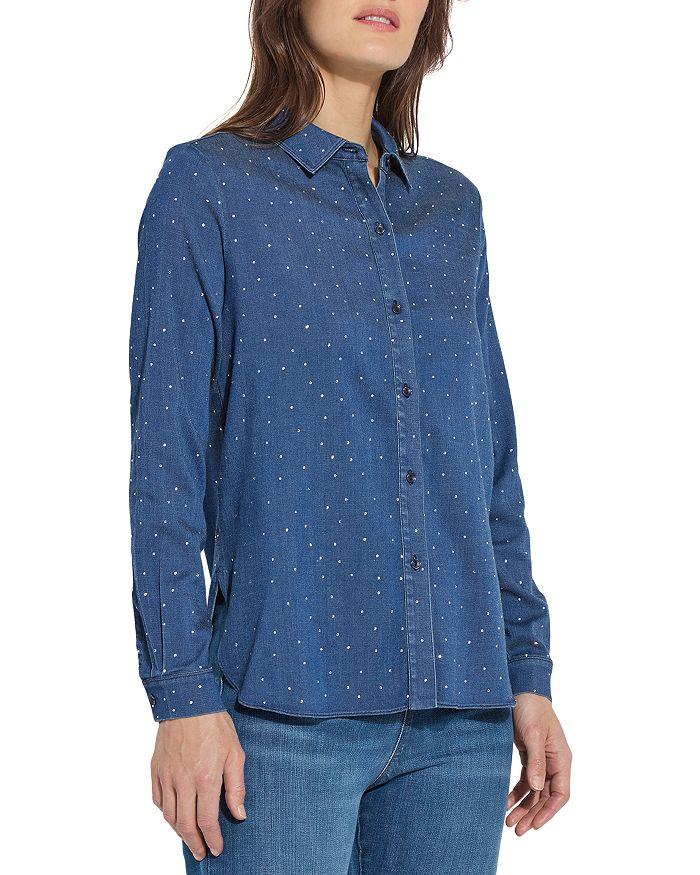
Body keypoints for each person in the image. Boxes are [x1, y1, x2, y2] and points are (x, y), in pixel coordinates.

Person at [128, 1, 572, 872]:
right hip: (279, 720)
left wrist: (528, 671)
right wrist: (181, 696)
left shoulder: (452, 209)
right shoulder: (208, 187)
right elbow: (164, 470)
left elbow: (488, 463)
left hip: (462, 722)